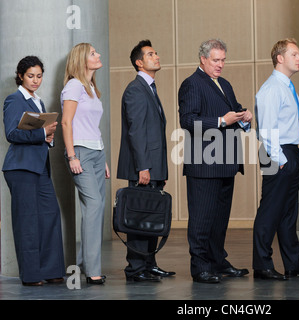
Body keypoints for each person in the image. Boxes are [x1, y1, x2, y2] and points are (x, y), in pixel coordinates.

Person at [178, 39, 252, 284]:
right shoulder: (191, 84)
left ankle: (218, 261)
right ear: (203, 59)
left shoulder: (225, 84)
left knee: (219, 221)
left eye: (223, 60)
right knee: (201, 220)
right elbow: (188, 122)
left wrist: (244, 116)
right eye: (216, 60)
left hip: (226, 163)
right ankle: (200, 268)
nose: (220, 65)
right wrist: (222, 121)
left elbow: (233, 113)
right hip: (204, 164)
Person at [253, 38, 299, 280]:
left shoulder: (286, 87)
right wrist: (280, 159)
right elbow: (266, 129)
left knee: (288, 213)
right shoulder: (272, 88)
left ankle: (294, 265)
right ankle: (262, 265)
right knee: (270, 211)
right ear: (280, 58)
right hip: (278, 152)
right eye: (294, 54)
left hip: (290, 151)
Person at [2, 56, 65, 286]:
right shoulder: (14, 100)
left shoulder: (38, 102)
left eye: (39, 76)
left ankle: (50, 270)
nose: (35, 80)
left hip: (39, 167)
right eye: (30, 76)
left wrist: (48, 137)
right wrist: (41, 133)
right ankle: (31, 275)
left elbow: (41, 135)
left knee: (50, 216)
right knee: (27, 221)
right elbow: (11, 133)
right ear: (20, 76)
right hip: (20, 167)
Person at [117, 39, 175, 282]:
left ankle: (149, 265)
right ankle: (135, 269)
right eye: (151, 54)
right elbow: (136, 131)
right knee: (140, 218)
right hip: (144, 166)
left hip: (154, 165)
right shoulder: (135, 90)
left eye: (156, 52)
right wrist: (143, 167)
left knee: (150, 217)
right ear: (139, 63)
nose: (157, 56)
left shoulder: (149, 88)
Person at [61, 43, 110, 285]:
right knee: (94, 204)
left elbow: (93, 126)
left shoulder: (91, 87)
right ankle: (92, 270)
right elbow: (66, 123)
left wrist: (104, 158)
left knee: (97, 210)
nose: (98, 54)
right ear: (82, 60)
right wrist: (72, 156)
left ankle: (89, 265)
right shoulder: (74, 85)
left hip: (96, 153)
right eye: (93, 53)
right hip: (79, 152)